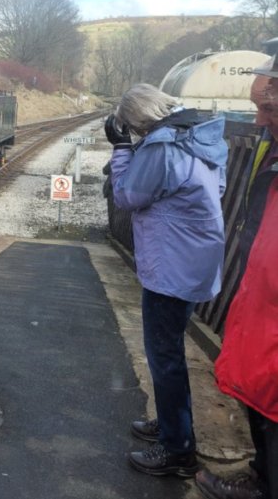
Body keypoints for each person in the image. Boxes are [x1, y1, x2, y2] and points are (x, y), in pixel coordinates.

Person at [105, 83, 227, 477]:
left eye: (130, 126)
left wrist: (122, 149)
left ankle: (177, 451)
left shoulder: (162, 147)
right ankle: (174, 425)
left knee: (164, 357)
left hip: (172, 268)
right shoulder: (198, 134)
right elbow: (218, 188)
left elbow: (126, 196)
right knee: (169, 351)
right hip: (196, 260)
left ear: (137, 120)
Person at [195, 52, 278, 499]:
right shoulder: (269, 145)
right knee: (261, 411)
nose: (260, 121)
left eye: (269, 109)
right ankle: (260, 480)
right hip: (259, 309)